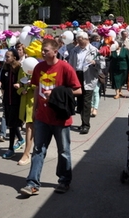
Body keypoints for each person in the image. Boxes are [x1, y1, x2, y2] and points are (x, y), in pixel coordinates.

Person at [21, 39, 81, 197]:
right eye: (42, 49)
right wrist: (35, 109)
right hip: (42, 117)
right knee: (38, 150)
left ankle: (64, 180)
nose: (43, 52)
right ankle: (32, 183)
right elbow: (36, 88)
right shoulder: (39, 67)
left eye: (46, 50)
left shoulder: (65, 67)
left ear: (55, 51)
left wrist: (56, 93)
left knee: (64, 151)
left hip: (60, 118)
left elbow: (78, 90)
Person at [68, 32, 99, 134]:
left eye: (81, 41)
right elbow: (70, 64)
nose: (80, 43)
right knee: (80, 101)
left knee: (86, 101)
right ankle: (82, 122)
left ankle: (86, 125)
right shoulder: (74, 50)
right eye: (78, 41)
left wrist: (95, 63)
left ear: (86, 39)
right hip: (77, 75)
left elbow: (102, 65)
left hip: (88, 76)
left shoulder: (94, 50)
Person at [0, 49, 24, 158]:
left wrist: (20, 86)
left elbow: (24, 82)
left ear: (14, 57)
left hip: (16, 101)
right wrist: (0, 84)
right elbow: (4, 85)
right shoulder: (4, 68)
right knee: (10, 123)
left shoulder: (19, 69)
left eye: (8, 56)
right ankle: (21, 139)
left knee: (12, 125)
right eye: (5, 56)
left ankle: (10, 149)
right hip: (7, 100)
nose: (6, 58)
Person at [17, 59, 36, 166]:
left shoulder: (39, 68)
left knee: (36, 129)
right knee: (29, 127)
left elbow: (41, 85)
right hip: (25, 103)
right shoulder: (22, 68)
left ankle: (35, 152)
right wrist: (20, 90)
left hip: (36, 102)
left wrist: (32, 84)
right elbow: (19, 84)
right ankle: (26, 154)